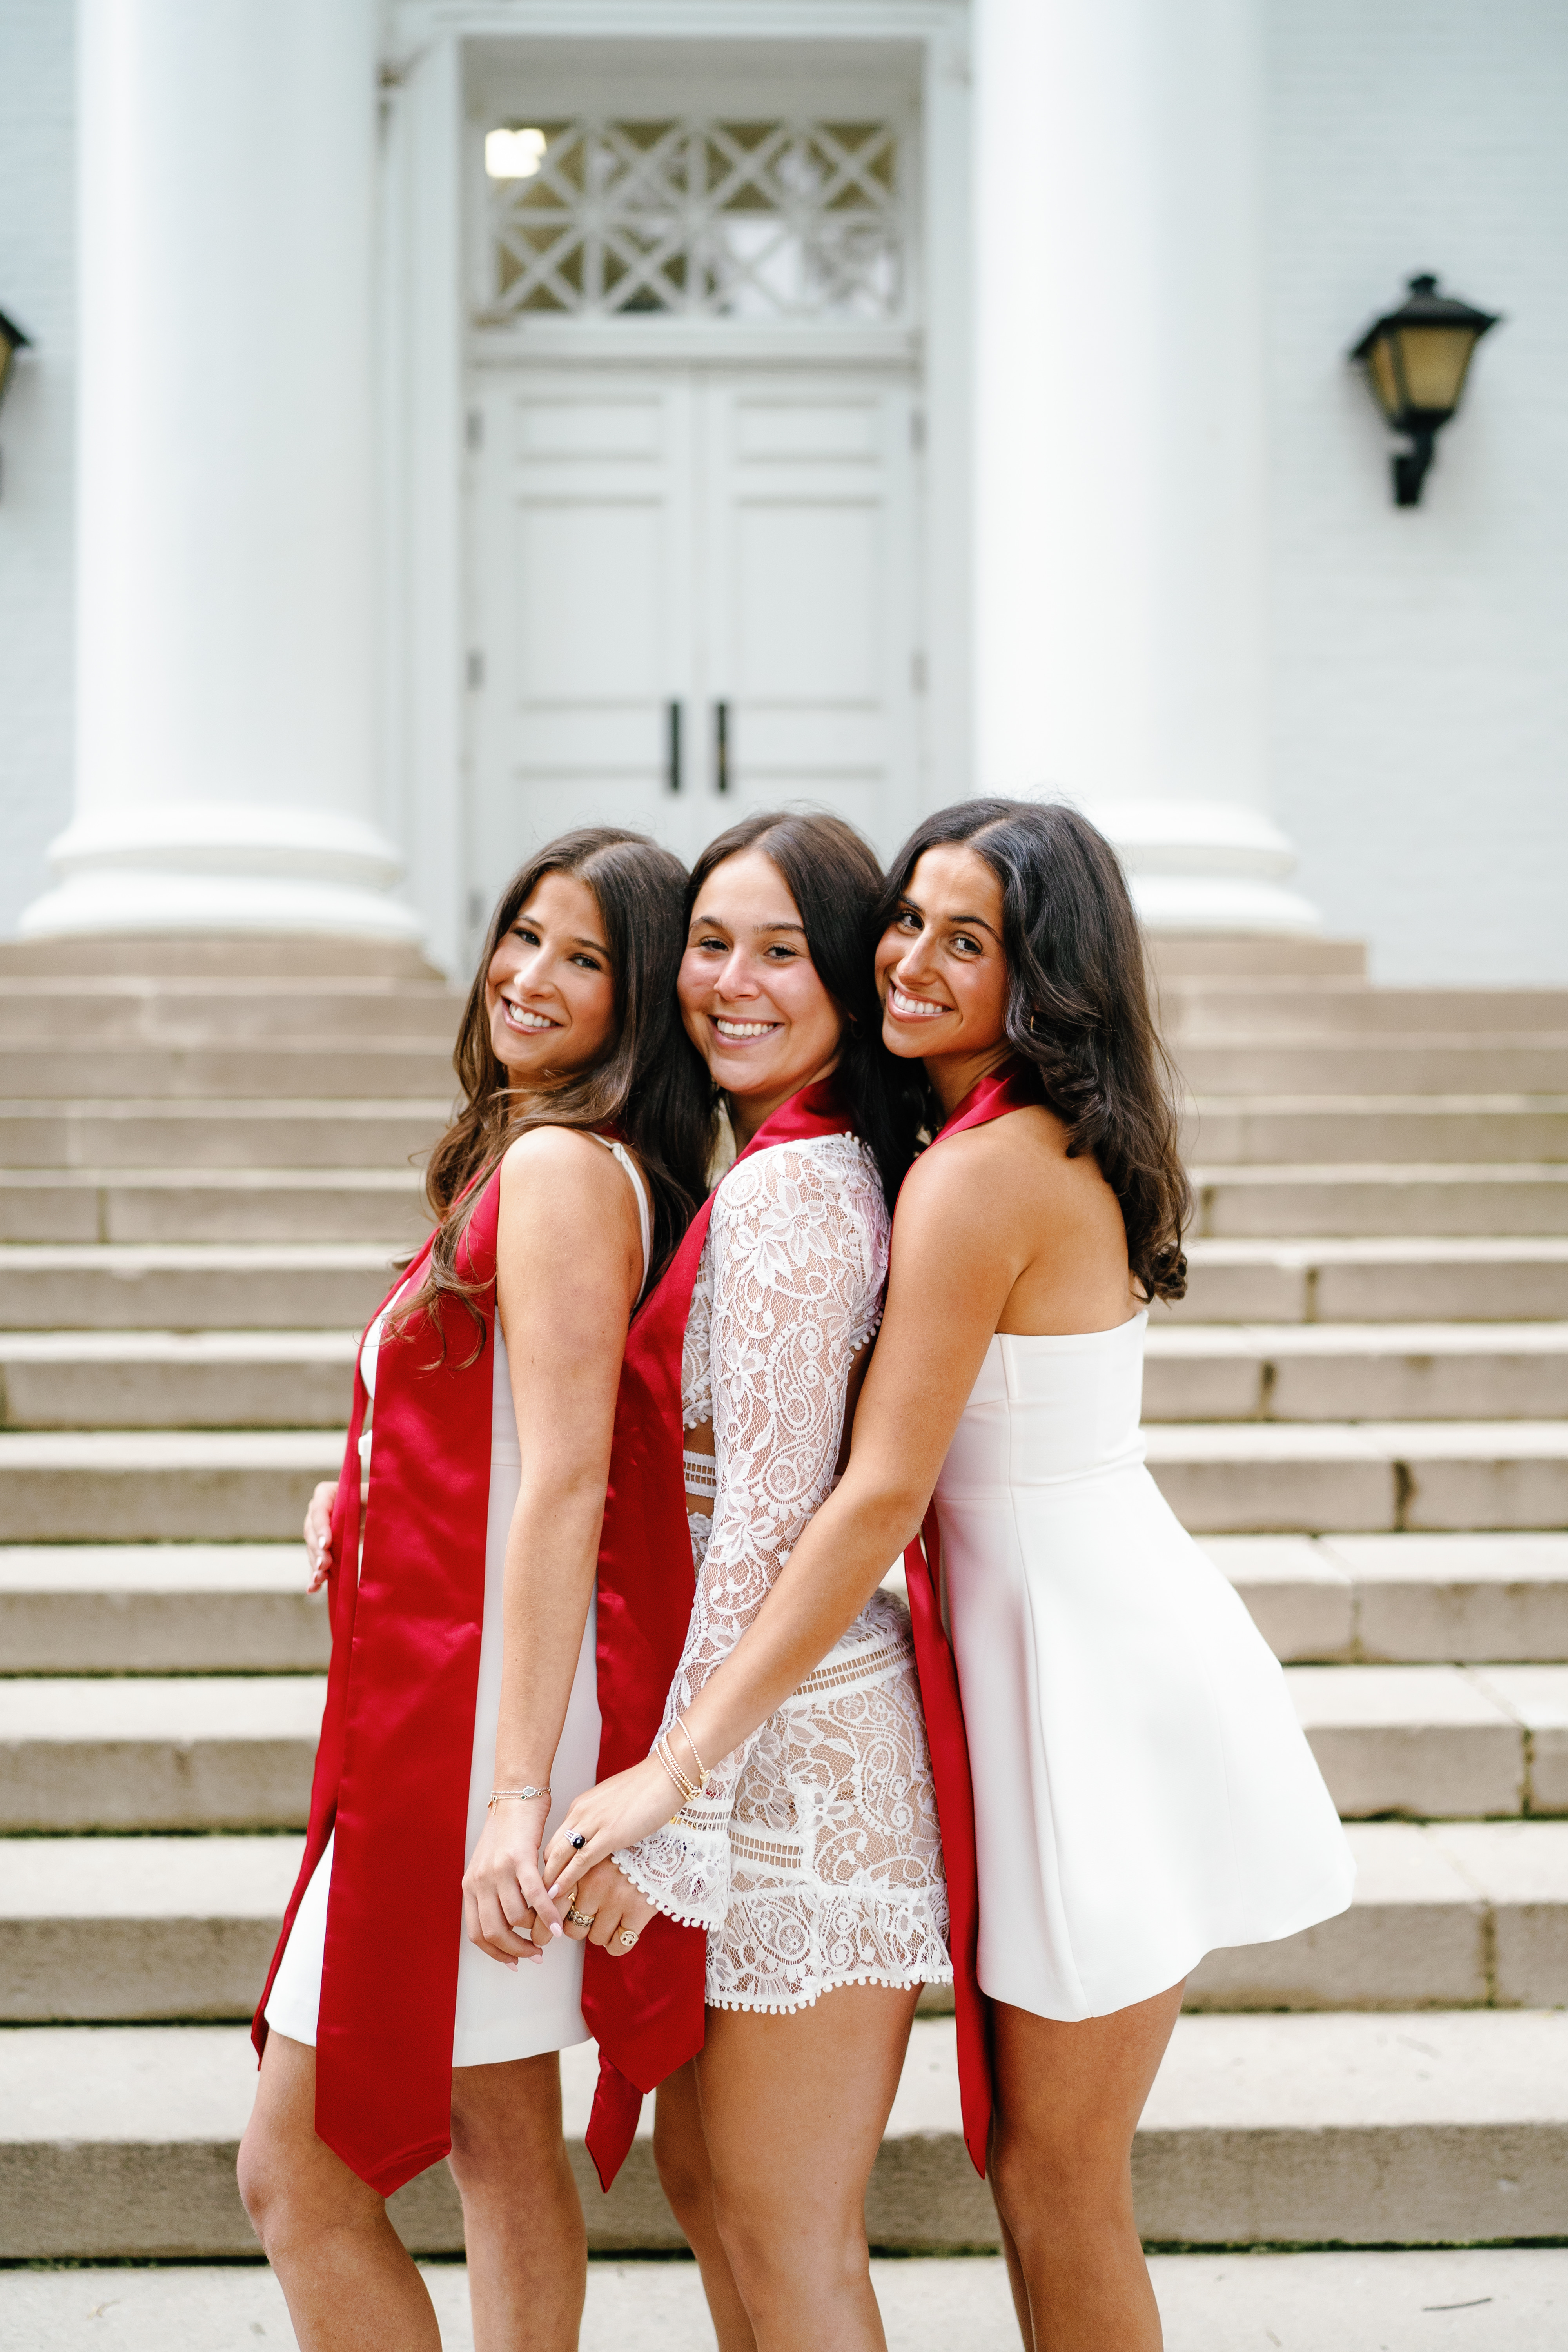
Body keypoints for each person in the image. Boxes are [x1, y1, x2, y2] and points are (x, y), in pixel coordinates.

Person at [552, 799, 1354, 2352]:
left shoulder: (977, 1173)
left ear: (1041, 975)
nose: (909, 956)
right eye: (906, 921)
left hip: (1089, 1684)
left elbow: (870, 1501)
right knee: (1041, 2176)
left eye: (964, 937)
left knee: (1059, 2178)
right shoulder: (968, 1145)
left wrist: (682, 1770)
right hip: (1043, 1649)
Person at [237, 828, 710, 2352]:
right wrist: (369, 1490)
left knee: (295, 2176)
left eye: (585, 958)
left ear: (637, 1003)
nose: (530, 976)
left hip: (483, 1735)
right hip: (470, 1693)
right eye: (522, 935)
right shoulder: (547, 1160)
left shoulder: (570, 1168)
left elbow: (572, 1472)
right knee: (501, 2140)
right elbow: (506, 1440)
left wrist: (514, 1797)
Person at [537, 811, 951, 2352]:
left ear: (847, 974)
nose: (732, 980)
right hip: (764, 1743)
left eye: (781, 949)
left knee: (781, 2235)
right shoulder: (783, 1166)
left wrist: (676, 1800)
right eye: (711, 943)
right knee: (716, 2194)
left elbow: (773, 1525)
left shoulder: (791, 1198)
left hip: (800, 1775)